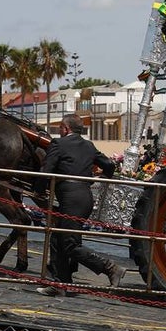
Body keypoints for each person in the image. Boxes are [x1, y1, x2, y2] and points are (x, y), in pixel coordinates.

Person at [40, 113, 123, 287]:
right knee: (57, 239)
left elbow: (46, 170)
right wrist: (101, 177)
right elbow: (109, 165)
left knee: (69, 244)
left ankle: (109, 267)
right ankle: (61, 283)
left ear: (65, 128)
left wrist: (38, 190)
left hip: (71, 198)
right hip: (85, 196)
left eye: (61, 128)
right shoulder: (89, 145)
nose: (60, 131)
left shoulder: (59, 143)